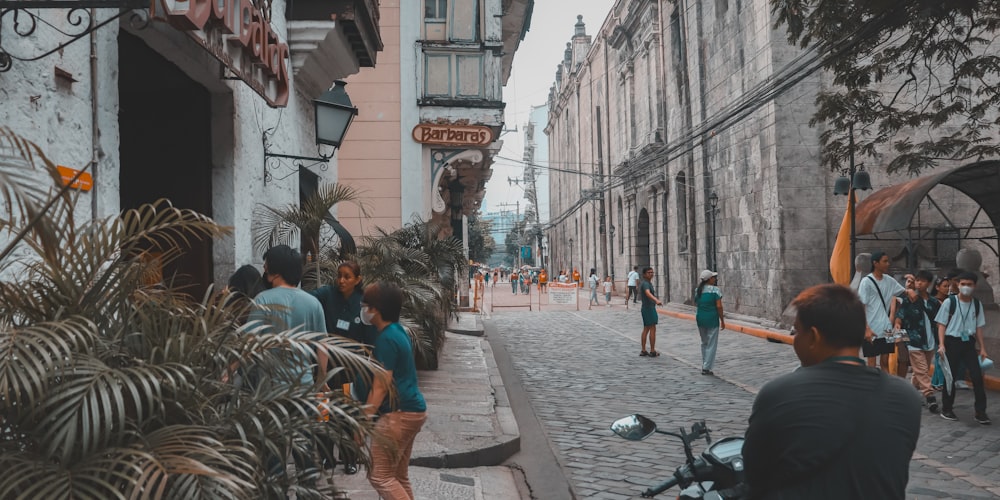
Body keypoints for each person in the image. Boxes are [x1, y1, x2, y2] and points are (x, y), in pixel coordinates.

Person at [742, 284, 921, 499]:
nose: (795, 339)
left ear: (814, 337)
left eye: (798, 331)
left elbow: (755, 474)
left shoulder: (779, 393)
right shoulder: (906, 397)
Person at [360, 282, 428, 500]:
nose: (363, 310)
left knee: (380, 476)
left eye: (366, 305)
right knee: (398, 475)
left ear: (376, 309)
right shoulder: (397, 330)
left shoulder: (387, 338)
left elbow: (381, 385)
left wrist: (362, 422)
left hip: (398, 413)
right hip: (412, 409)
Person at [934, 271, 990, 424]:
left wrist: (983, 348)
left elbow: (979, 328)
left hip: (968, 344)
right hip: (952, 343)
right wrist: (941, 344)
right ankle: (947, 409)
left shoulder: (976, 304)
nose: (966, 287)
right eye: (963, 284)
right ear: (958, 285)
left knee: (977, 376)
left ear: (974, 286)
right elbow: (941, 325)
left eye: (969, 284)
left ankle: (980, 412)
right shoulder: (949, 302)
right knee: (950, 377)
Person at [893, 270, 940, 413]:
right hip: (913, 339)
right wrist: (897, 326)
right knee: (921, 369)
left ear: (929, 283)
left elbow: (939, 322)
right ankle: (929, 395)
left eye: (923, 281)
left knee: (920, 370)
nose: (919, 283)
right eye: (917, 280)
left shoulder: (934, 302)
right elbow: (899, 316)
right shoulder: (909, 299)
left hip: (930, 341)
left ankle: (911, 392)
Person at [857, 251, 913, 369]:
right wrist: (866, 329)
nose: (888, 264)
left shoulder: (889, 280)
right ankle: (872, 386)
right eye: (885, 261)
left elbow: (904, 292)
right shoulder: (866, 282)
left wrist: (910, 289)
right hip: (871, 327)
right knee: (871, 361)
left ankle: (885, 385)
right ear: (875, 263)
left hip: (887, 327)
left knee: (885, 361)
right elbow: (861, 306)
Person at [694, 270, 725, 376]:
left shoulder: (697, 290)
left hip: (700, 318)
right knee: (712, 343)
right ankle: (706, 367)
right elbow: (719, 306)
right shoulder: (715, 290)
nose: (715, 279)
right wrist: (722, 320)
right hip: (712, 318)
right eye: (713, 277)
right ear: (709, 279)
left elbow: (697, 303)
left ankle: (705, 364)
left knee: (704, 342)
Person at [638, 267, 663, 357]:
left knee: (646, 328)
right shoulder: (645, 284)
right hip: (649, 308)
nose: (651, 274)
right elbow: (648, 293)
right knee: (652, 329)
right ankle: (652, 350)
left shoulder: (647, 283)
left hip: (647, 308)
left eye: (652, 272)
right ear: (644, 274)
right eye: (649, 272)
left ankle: (644, 350)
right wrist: (656, 300)